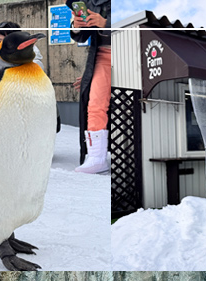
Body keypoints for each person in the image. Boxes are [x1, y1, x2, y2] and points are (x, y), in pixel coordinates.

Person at [67, 0, 112, 174]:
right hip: (101, 55)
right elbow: (81, 36)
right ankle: (96, 158)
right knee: (95, 104)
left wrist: (106, 23)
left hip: (132, 52)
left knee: (134, 105)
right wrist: (77, 25)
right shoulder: (90, 2)